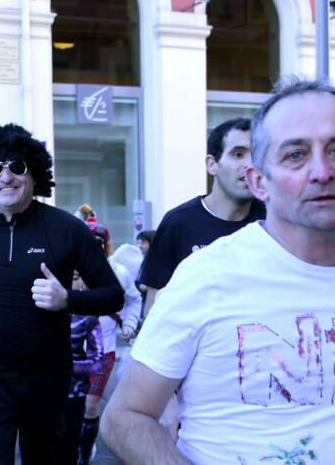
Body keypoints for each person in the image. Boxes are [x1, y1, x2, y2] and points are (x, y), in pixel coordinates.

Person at [101, 79, 335, 464]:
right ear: (259, 181)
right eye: (296, 154)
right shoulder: (207, 275)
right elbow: (126, 416)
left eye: (334, 149)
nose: (322, 171)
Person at [0, 123, 124, 464]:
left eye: (17, 167)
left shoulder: (67, 229)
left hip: (47, 377)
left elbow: (114, 295)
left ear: (34, 174)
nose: (5, 176)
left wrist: (67, 299)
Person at [140, 117, 265, 319]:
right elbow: (154, 310)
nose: (250, 164)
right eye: (238, 154)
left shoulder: (274, 221)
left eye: (257, 155)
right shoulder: (178, 223)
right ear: (212, 165)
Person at [79, 218, 142, 465]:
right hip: (66, 349)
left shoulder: (118, 272)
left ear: (105, 245)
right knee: (67, 405)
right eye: (86, 242)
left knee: (90, 404)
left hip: (102, 350)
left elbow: (134, 300)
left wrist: (129, 322)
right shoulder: (65, 267)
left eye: (98, 243)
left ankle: (84, 456)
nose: (91, 247)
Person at [61, 272, 104, 465]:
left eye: (76, 276)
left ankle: (84, 457)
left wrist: (67, 366)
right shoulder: (38, 308)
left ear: (83, 281)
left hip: (74, 394)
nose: (70, 281)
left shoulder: (88, 316)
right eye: (64, 274)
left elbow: (97, 360)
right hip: (39, 392)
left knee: (69, 452)